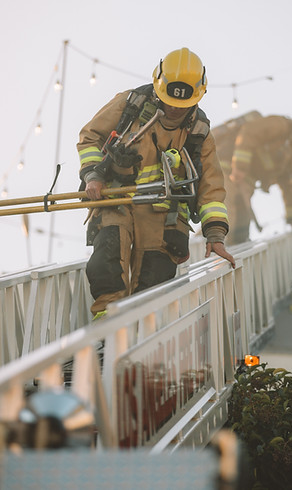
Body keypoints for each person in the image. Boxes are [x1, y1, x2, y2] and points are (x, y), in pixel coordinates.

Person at [77, 47, 235, 318]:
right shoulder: (130, 105)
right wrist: (93, 175)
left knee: (154, 280)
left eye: (182, 105)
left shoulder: (199, 134)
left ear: (198, 95)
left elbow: (211, 189)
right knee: (106, 265)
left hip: (165, 217)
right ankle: (106, 335)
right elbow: (90, 137)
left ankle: (138, 337)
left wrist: (215, 235)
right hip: (117, 200)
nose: (174, 108)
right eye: (169, 100)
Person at [212, 112, 292, 245]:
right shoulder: (281, 125)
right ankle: (209, 252)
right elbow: (249, 132)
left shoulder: (291, 156)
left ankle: (221, 255)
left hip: (244, 183)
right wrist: (240, 167)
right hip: (225, 170)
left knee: (240, 228)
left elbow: (291, 187)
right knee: (226, 216)